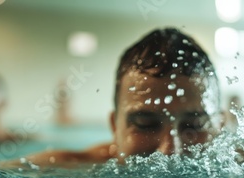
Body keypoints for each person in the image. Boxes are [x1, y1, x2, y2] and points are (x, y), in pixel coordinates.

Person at [21, 28, 223, 166]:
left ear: (220, 127)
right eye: (145, 124)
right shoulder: (66, 166)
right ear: (115, 128)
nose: (170, 151)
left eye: (195, 125)